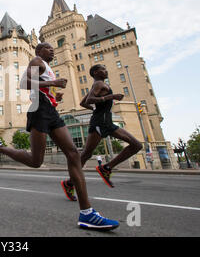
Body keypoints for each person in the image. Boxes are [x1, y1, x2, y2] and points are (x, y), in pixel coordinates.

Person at [0, 43, 119, 230]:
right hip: (39, 110)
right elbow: (24, 83)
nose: (52, 50)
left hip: (51, 110)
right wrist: (52, 84)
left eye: (53, 48)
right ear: (39, 52)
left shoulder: (48, 68)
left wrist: (56, 96)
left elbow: (43, 90)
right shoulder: (36, 61)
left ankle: (87, 213)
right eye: (48, 47)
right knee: (36, 161)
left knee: (73, 154)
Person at [60, 64, 142, 199]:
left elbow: (83, 103)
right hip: (100, 122)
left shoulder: (98, 85)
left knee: (136, 145)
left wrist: (95, 109)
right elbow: (90, 99)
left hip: (106, 121)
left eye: (105, 68)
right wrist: (111, 97)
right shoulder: (98, 84)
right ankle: (70, 183)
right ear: (96, 72)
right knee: (86, 154)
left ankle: (107, 168)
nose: (106, 70)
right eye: (103, 69)